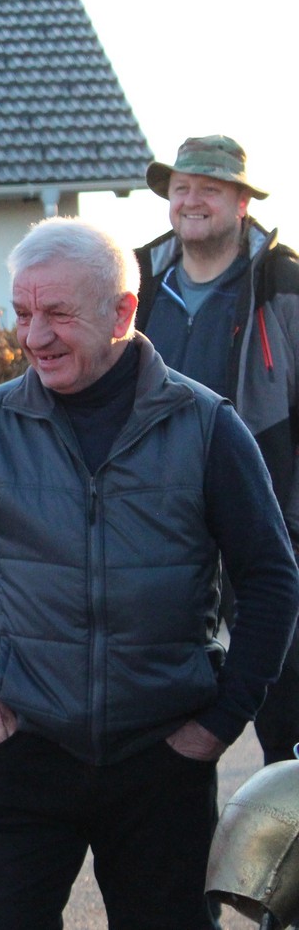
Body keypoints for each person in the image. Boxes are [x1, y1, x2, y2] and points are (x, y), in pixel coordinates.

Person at [0, 217, 299, 929]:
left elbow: (272, 578)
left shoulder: (205, 425)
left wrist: (220, 721)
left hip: (162, 760)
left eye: (58, 313)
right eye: (24, 312)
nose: (33, 336)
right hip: (23, 748)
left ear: (122, 310)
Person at [134, 135, 299, 765]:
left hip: (266, 526)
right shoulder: (142, 283)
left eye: (209, 188)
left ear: (239, 202)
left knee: (284, 714)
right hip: (163, 533)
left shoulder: (281, 283)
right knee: (173, 719)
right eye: (181, 188)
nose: (191, 200)